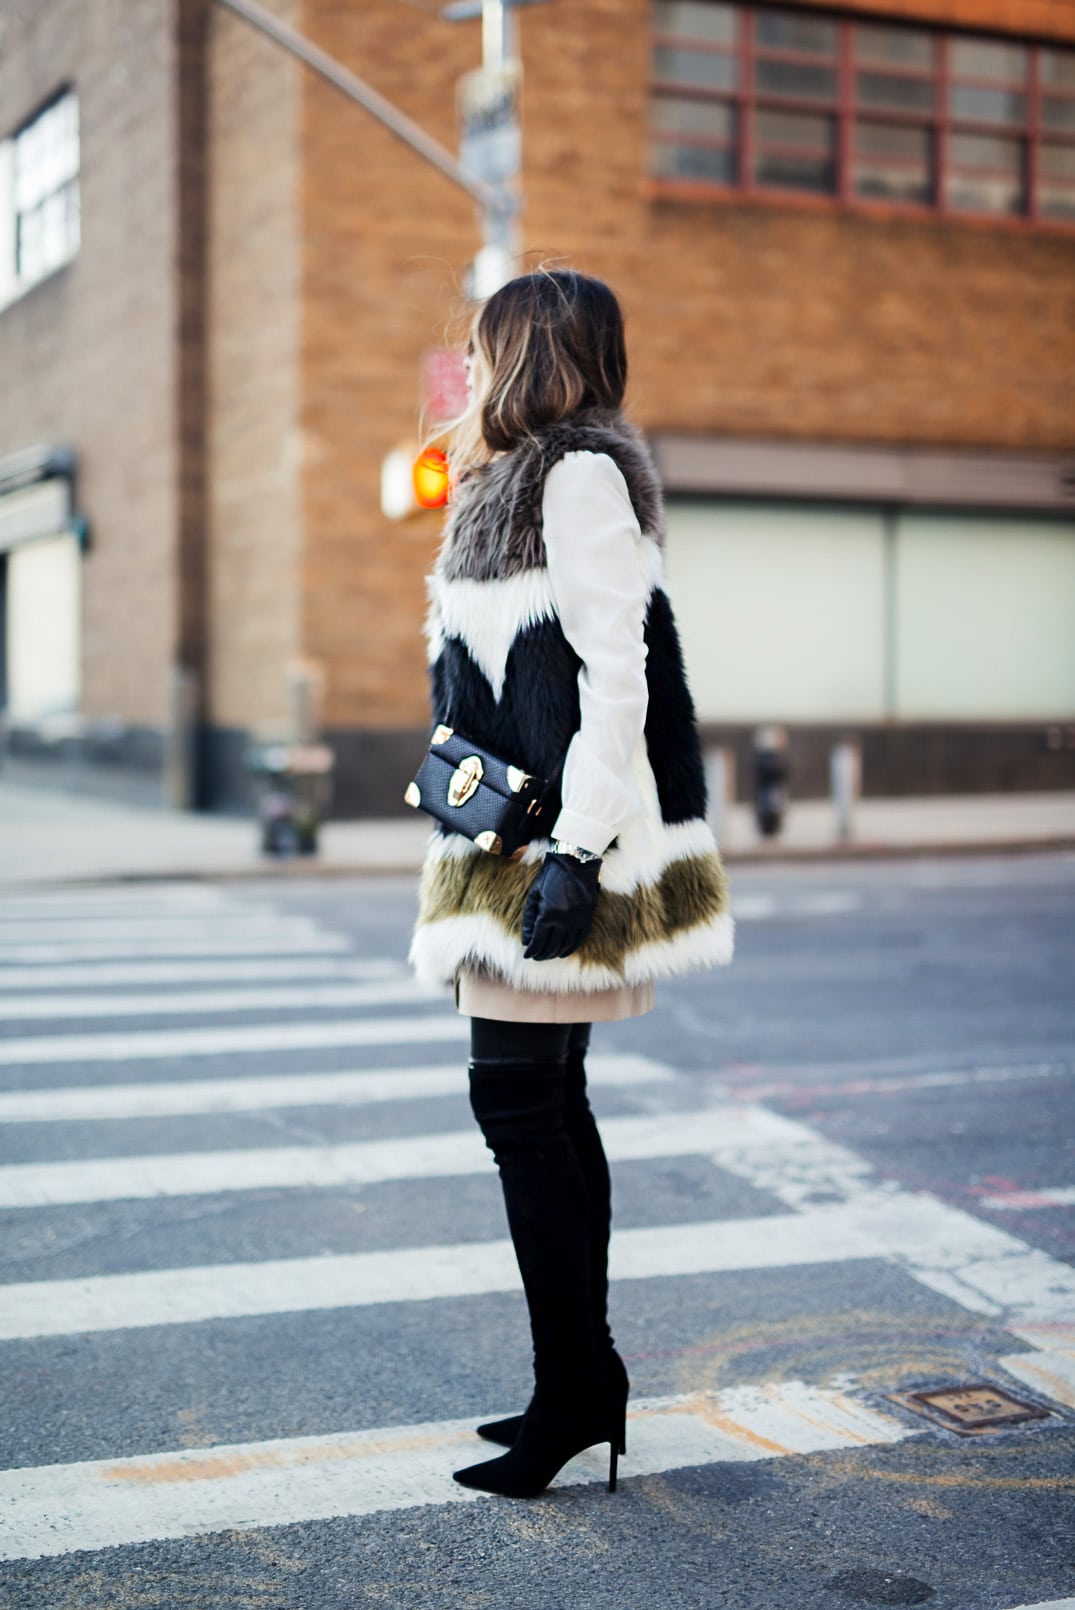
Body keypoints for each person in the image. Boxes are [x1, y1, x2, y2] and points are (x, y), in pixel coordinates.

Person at [408, 267, 734, 1498]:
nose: (473, 370)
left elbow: (618, 676)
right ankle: (578, 1384)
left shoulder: (578, 476)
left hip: (554, 849)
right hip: (503, 842)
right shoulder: (505, 482)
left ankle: (575, 1387)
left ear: (532, 355)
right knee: (547, 1106)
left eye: (488, 349)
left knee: (519, 1110)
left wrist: (578, 854)